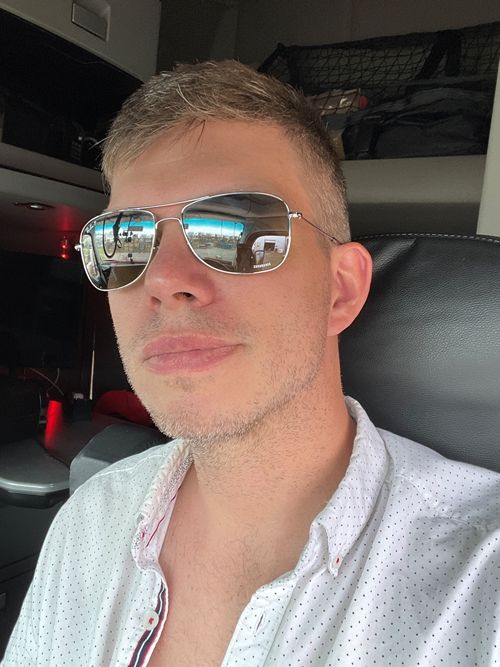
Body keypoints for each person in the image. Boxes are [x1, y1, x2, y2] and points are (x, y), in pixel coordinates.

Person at [3, 61, 499, 667]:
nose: (162, 281)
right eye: (124, 241)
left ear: (340, 290)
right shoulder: (87, 521)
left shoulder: (481, 588)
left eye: (234, 229)